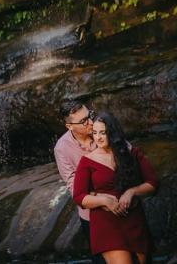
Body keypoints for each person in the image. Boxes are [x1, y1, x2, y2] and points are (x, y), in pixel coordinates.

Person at [73, 111, 158, 264]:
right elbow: (79, 196)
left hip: (133, 218)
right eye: (94, 132)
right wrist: (104, 200)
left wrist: (132, 191)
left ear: (112, 133)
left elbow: (153, 183)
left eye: (103, 133)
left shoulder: (131, 153)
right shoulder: (87, 161)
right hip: (106, 223)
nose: (97, 137)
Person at [54, 100, 111, 263]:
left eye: (90, 116)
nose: (90, 122)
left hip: (121, 204)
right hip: (92, 215)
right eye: (83, 121)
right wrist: (101, 200)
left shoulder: (101, 129)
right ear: (69, 126)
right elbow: (74, 187)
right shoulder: (61, 148)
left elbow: (127, 155)